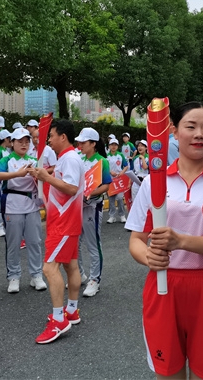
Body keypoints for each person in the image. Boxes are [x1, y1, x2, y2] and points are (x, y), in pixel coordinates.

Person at [126, 102, 203, 378]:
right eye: (191, 126)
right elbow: (136, 239)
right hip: (163, 286)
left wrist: (180, 241)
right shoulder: (153, 183)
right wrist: (149, 257)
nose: (199, 134)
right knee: (168, 372)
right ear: (174, 132)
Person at [30, 120, 85, 344]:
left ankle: (59, 320)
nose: (49, 140)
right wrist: (45, 177)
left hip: (64, 223)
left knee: (49, 268)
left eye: (51, 135)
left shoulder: (70, 158)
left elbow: (71, 188)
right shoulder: (66, 158)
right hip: (64, 222)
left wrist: (46, 177)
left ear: (63, 137)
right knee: (70, 265)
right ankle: (71, 310)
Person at [0, 128, 47, 294]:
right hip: (12, 204)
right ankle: (14, 276)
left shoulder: (34, 160)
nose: (24, 144)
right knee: (13, 243)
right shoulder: (7, 160)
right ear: (12, 143)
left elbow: (44, 178)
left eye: (26, 141)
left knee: (34, 241)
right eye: (20, 141)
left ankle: (36, 275)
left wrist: (37, 174)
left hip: (31, 204)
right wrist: (18, 174)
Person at [75, 128, 112, 298]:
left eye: (83, 142)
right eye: (79, 142)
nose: (80, 145)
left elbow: (106, 185)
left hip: (92, 207)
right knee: (75, 243)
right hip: (77, 207)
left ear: (93, 144)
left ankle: (94, 279)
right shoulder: (79, 159)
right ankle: (79, 274)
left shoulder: (102, 161)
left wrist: (91, 193)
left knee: (93, 244)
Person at [0, 129, 12, 237]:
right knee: (0, 203)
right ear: (5, 139)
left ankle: (2, 225)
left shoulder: (6, 151)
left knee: (5, 202)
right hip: (0, 181)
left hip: (6, 181)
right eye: (10, 139)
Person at [106, 138, 128, 224]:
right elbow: (104, 167)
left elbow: (126, 166)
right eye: (112, 145)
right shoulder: (106, 156)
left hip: (119, 179)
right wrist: (110, 171)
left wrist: (122, 172)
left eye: (115, 145)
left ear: (117, 146)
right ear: (109, 146)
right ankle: (112, 216)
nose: (113, 146)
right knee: (111, 199)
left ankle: (122, 215)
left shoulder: (120, 155)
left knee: (119, 198)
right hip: (110, 179)